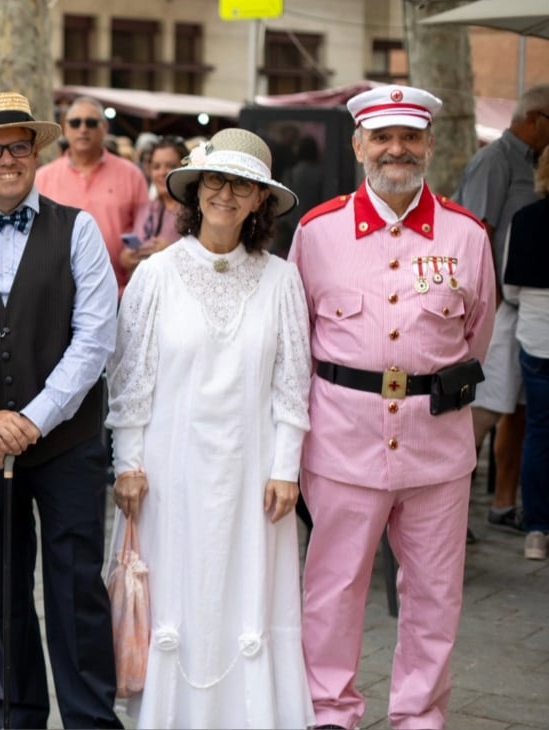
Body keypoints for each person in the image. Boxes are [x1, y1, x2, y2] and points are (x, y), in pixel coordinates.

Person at [291, 85, 496, 730]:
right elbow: (295, 342)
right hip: (341, 443)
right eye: (382, 137)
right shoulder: (317, 232)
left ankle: (418, 717)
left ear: (430, 144)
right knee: (332, 590)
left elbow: (478, 334)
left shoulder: (467, 236)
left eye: (410, 136)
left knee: (435, 595)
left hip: (437, 448)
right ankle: (331, 712)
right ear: (358, 146)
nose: (396, 149)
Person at [108, 128, 313, 728]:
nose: (226, 194)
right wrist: (128, 465)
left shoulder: (281, 280)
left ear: (259, 201)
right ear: (195, 193)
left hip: (255, 475)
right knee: (178, 591)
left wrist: (286, 468)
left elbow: (292, 383)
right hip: (170, 472)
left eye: (241, 185)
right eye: (215, 181)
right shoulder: (156, 275)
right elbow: (130, 383)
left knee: (248, 593)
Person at [0, 91, 120, 729]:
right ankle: (17, 716)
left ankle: (91, 718)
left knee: (77, 589)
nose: (7, 159)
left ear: (37, 151)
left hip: (67, 442)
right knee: (5, 588)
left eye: (18, 146)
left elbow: (95, 337)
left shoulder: (80, 229)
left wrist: (34, 418)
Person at [453, 84, 549, 534]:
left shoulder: (531, 162)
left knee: (515, 407)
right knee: (482, 410)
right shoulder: (495, 161)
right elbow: (474, 233)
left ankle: (503, 503)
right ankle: (451, 508)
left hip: (516, 307)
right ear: (535, 119)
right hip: (493, 306)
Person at [36, 96, 149, 295]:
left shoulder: (131, 175)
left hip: (119, 293)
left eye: (91, 122)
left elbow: (145, 229)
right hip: (58, 294)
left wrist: (136, 253)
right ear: (65, 127)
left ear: (104, 128)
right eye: (75, 122)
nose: (83, 129)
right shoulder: (42, 178)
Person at [503, 148, 549, 560]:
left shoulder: (525, 220)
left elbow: (511, 289)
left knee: (538, 430)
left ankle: (537, 529)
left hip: (537, 336)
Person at [127, 136, 188, 264]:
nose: (162, 172)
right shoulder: (147, 208)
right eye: (156, 167)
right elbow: (131, 252)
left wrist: (172, 251)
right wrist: (126, 257)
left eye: (170, 166)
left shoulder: (194, 211)